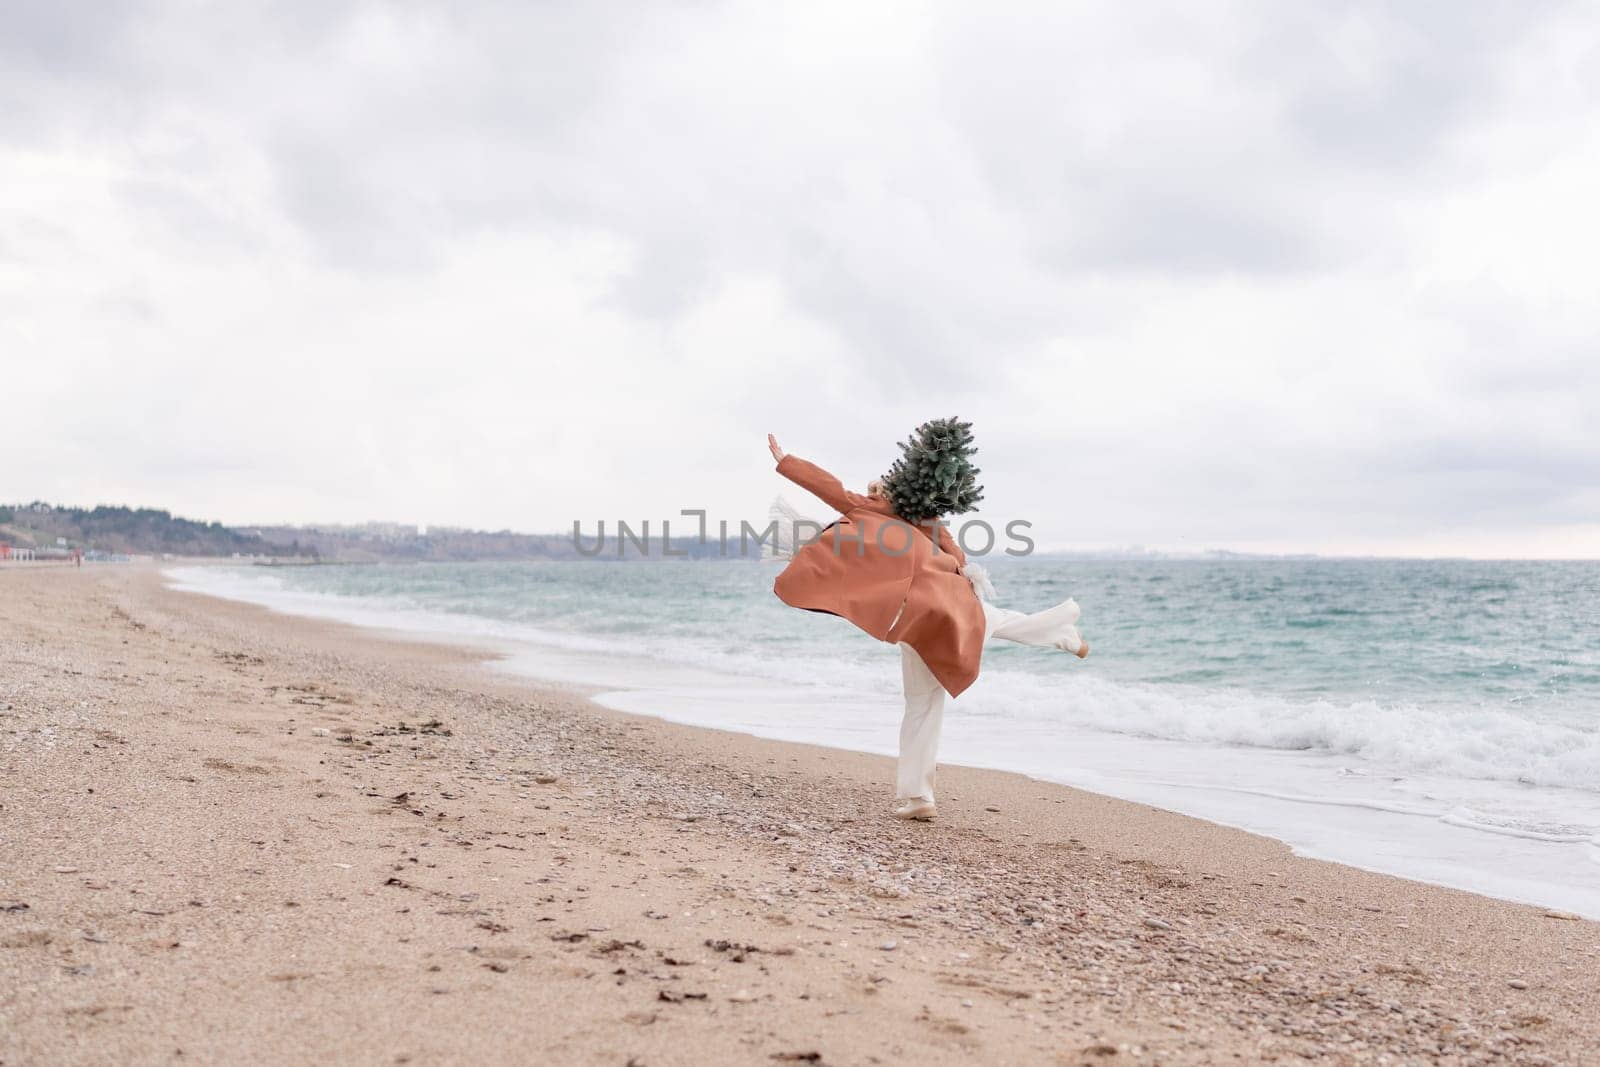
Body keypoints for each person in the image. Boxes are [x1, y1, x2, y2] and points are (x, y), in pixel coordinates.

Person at [767, 426, 1088, 821]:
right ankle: (1061, 631)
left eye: (874, 491)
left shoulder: (869, 510)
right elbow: (956, 553)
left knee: (922, 704)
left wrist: (786, 461)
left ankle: (919, 797)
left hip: (911, 619)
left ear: (886, 494)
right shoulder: (924, 521)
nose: (869, 496)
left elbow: (830, 488)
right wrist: (963, 567)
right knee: (992, 622)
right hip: (944, 608)